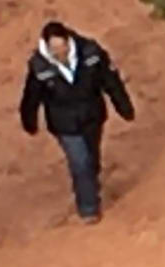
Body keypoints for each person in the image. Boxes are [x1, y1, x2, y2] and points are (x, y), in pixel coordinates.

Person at [20, 21, 133, 224]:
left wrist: (123, 106)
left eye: (62, 46)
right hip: (64, 124)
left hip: (92, 116)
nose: (59, 52)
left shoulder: (91, 53)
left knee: (91, 157)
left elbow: (110, 81)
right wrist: (30, 122)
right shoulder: (39, 67)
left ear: (68, 41)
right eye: (54, 49)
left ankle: (92, 184)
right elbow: (31, 97)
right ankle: (88, 208)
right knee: (79, 161)